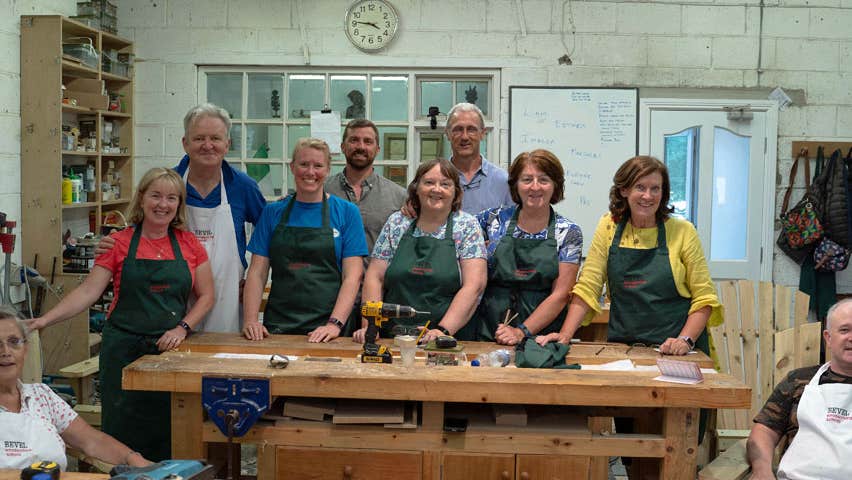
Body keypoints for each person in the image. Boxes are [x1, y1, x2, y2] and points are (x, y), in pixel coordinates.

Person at [27, 168, 215, 461]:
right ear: (142, 198)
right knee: (122, 432)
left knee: (170, 429)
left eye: (171, 198)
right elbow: (89, 292)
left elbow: (207, 296)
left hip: (169, 352)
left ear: (179, 204)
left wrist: (182, 328)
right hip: (123, 351)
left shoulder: (190, 244)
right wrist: (44, 320)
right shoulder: (119, 243)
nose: (162, 204)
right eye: (155, 195)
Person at [98, 103, 265, 334]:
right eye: (199, 139)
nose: (208, 146)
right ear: (185, 143)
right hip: (170, 298)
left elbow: (269, 235)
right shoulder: (168, 185)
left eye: (215, 138)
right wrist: (114, 243)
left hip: (227, 297)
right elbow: (140, 233)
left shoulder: (244, 187)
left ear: (227, 144)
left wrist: (254, 279)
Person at [537, 155, 722, 354]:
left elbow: (705, 299)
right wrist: (565, 335)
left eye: (655, 189)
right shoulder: (609, 226)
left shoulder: (683, 231)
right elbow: (588, 286)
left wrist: (684, 341)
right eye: (640, 187)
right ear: (624, 190)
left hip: (677, 349)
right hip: (624, 348)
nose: (648, 196)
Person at [243, 138, 367, 342]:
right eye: (303, 164)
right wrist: (250, 320)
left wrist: (334, 324)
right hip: (278, 326)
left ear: (327, 170)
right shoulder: (272, 212)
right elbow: (257, 272)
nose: (310, 172)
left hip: (329, 328)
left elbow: (352, 277)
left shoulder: (347, 213)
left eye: (318, 166)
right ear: (292, 167)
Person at [1, 307, 153, 470]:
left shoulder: (42, 396)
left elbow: (92, 441)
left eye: (14, 342)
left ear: (25, 349)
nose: (5, 352)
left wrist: (131, 458)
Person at [355, 158, 487, 343]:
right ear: (416, 189)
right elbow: (375, 276)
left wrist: (442, 331)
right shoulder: (397, 223)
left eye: (445, 184)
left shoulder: (466, 226)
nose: (436, 189)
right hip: (392, 337)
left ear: (456, 193)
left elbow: (474, 286)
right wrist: (370, 325)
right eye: (429, 182)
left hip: (447, 340)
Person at [474, 149, 582, 344]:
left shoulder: (568, 232)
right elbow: (451, 227)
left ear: (555, 185)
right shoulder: (490, 221)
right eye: (527, 180)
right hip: (489, 330)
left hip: (541, 337)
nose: (535, 187)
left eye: (543, 180)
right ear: (515, 185)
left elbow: (560, 294)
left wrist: (521, 331)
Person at [747, 299, 852, 480]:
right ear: (828, 338)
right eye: (844, 330)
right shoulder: (799, 381)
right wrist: (762, 470)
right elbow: (764, 431)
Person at [325, 119, 407, 251]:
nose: (361, 147)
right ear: (342, 147)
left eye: (368, 141)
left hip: (379, 272)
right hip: (331, 271)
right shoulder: (322, 191)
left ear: (377, 149)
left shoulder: (399, 197)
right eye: (354, 140)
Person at [445, 103, 514, 215]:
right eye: (458, 129)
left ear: (482, 134)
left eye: (471, 129)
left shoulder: (503, 181)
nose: (465, 137)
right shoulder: (435, 181)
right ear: (447, 134)